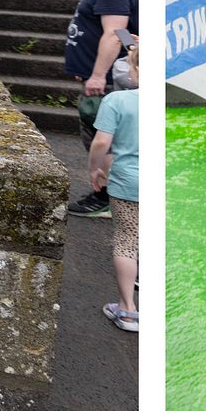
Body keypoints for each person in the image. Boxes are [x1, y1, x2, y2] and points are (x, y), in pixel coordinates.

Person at [65, 0, 139, 218]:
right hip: (101, 77)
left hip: (103, 81)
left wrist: (97, 76)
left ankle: (105, 196)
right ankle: (108, 193)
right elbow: (124, 32)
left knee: (102, 136)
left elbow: (113, 32)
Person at [92, 41, 140, 332]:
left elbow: (100, 142)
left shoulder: (118, 101)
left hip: (128, 180)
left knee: (127, 241)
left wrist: (94, 170)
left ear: (135, 69)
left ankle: (128, 309)